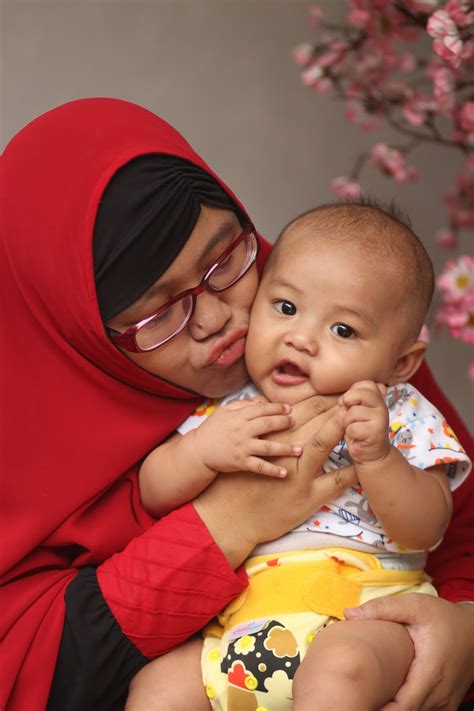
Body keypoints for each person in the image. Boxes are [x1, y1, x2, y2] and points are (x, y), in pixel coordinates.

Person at [0, 99, 472, 711]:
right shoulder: (26, 434)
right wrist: (224, 523)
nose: (217, 319)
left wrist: (465, 623)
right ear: (82, 332)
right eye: (158, 314)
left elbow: (457, 523)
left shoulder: (346, 324)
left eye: (225, 261)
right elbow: (27, 663)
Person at [128, 202, 471, 710]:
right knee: (158, 686)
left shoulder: (398, 412)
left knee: (341, 671)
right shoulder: (228, 405)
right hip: (241, 629)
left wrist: (380, 458)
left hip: (364, 609)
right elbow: (152, 491)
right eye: (286, 307)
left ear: (401, 363)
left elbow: (428, 528)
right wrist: (201, 451)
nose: (301, 339)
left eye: (343, 330)